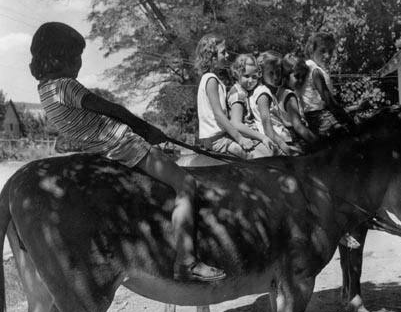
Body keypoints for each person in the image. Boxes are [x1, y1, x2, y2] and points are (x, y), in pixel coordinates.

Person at [29, 21, 225, 283]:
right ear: (59, 56)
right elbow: (114, 110)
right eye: (76, 56)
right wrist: (147, 130)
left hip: (99, 152)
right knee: (186, 183)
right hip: (122, 144)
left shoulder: (44, 91)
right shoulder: (66, 85)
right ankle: (186, 260)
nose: (79, 63)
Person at [195, 33, 254, 158]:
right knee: (253, 157)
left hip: (220, 136)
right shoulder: (211, 79)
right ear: (212, 57)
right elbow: (218, 114)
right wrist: (240, 139)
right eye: (223, 52)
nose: (227, 55)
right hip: (217, 140)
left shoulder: (213, 79)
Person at [298, 31, 355, 138]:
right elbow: (329, 101)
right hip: (320, 119)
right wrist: (349, 121)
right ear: (311, 50)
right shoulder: (315, 71)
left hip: (318, 117)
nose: (327, 56)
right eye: (322, 51)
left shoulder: (309, 67)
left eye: (330, 51)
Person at [227, 53, 275, 158]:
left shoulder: (244, 91)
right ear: (236, 74)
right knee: (269, 157)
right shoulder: (238, 94)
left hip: (250, 135)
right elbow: (235, 123)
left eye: (254, 77)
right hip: (246, 137)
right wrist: (262, 137)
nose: (251, 81)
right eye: (246, 76)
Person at [250, 50, 296, 156]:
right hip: (278, 140)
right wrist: (285, 147)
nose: (276, 77)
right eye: (271, 73)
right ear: (261, 73)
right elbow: (267, 126)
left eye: (278, 72)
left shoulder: (264, 91)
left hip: (279, 137)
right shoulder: (263, 94)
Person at [276, 53, 319, 152]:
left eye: (303, 77)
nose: (300, 80)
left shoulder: (280, 91)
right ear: (286, 74)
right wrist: (318, 142)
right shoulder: (290, 96)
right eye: (297, 76)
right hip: (298, 139)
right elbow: (298, 126)